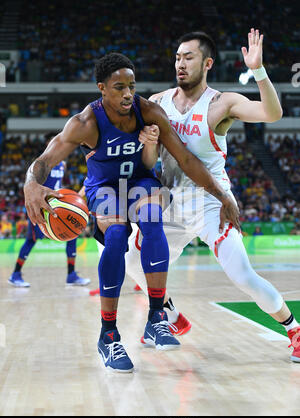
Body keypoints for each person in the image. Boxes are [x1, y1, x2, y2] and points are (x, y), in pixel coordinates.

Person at [23, 53, 240, 372]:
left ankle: (157, 317)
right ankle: (108, 335)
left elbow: (186, 160)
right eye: (118, 87)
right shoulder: (86, 122)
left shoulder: (149, 111)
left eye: (131, 86)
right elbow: (44, 160)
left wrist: (222, 195)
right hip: (105, 188)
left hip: (140, 182)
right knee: (114, 235)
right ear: (102, 88)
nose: (127, 93)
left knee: (152, 221)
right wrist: (30, 183)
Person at [124, 29, 300, 363]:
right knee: (131, 262)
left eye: (188, 57)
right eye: (177, 57)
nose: (180, 63)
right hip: (171, 201)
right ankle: (170, 316)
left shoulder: (222, 103)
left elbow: (272, 114)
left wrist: (259, 70)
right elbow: (149, 161)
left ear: (207, 63)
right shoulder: (158, 102)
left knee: (242, 275)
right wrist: (148, 145)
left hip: (212, 202)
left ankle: (294, 329)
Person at [8, 132, 91, 288]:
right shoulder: (40, 164)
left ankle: (71, 275)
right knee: (31, 240)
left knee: (72, 234)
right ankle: (15, 274)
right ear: (49, 145)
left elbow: (56, 185)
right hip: (40, 207)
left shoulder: (63, 164)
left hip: (57, 207)